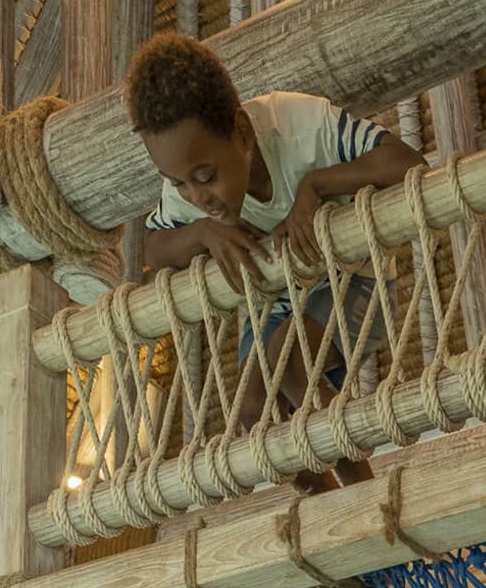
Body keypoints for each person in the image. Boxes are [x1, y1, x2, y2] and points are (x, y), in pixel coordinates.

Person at [125, 32, 424, 488]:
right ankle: (327, 516)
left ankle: (367, 499)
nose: (196, 196)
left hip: (353, 282)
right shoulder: (189, 192)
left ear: (242, 133)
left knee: (290, 360)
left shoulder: (300, 126)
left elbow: (407, 162)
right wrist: (204, 232)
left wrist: (316, 186)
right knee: (250, 409)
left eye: (205, 177)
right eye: (180, 184)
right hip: (274, 306)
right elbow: (151, 248)